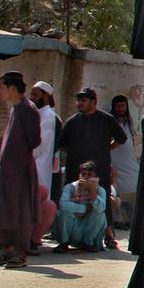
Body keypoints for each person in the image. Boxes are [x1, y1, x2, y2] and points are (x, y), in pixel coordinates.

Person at [56, 87, 125, 250]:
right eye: (78, 100)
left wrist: (105, 150)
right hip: (76, 170)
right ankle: (68, 239)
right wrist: (76, 154)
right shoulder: (73, 121)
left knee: (103, 200)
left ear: (93, 102)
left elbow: (121, 139)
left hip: (99, 168)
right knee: (72, 200)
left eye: (83, 100)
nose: (79, 103)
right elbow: (62, 144)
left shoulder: (106, 119)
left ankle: (108, 235)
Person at [0, 72, 43, 268]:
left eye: (0, 87)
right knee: (6, 209)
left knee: (21, 211)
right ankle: (7, 249)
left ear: (11, 88)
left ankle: (20, 252)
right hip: (9, 169)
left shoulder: (28, 110)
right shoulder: (15, 109)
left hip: (21, 170)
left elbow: (34, 140)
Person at [54, 161, 109, 252]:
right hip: (73, 224)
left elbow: (100, 208)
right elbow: (63, 205)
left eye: (89, 174)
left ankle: (88, 243)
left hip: (87, 226)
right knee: (62, 213)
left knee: (100, 215)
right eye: (84, 174)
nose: (86, 177)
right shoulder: (70, 187)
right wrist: (85, 209)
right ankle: (64, 242)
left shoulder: (100, 190)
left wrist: (92, 190)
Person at [106, 94, 141, 230]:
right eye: (118, 106)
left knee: (134, 184)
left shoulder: (129, 121)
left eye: (123, 106)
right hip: (115, 160)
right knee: (116, 189)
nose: (120, 108)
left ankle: (130, 218)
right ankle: (117, 220)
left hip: (130, 160)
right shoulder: (110, 121)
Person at [29, 80, 61, 202]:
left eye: (35, 95)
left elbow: (38, 145)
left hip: (41, 167)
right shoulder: (39, 114)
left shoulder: (48, 116)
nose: (32, 98)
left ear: (46, 95)